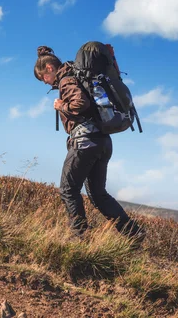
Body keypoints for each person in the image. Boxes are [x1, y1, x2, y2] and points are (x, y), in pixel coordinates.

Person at [34, 45, 144, 242]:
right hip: (102, 142)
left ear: (49, 69)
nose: (46, 83)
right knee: (98, 195)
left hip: (84, 142)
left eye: (43, 78)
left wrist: (61, 105)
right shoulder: (77, 76)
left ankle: (81, 238)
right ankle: (133, 234)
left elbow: (80, 104)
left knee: (68, 190)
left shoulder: (66, 80)